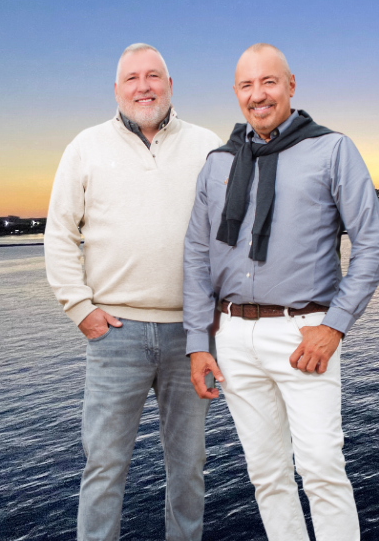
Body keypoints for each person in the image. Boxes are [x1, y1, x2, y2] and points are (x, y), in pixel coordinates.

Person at [183, 44, 379, 541]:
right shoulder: (217, 163)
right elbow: (195, 254)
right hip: (232, 336)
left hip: (305, 335)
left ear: (291, 85)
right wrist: (197, 344)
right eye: (247, 86)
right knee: (267, 477)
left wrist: (333, 327)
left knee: (321, 469)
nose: (259, 95)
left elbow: (373, 246)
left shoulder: (332, 149)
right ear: (236, 93)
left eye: (269, 82)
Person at [45, 43, 222, 541]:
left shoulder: (207, 146)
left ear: (170, 85)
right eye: (132, 79)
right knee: (104, 468)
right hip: (114, 336)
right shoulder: (85, 147)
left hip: (189, 338)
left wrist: (210, 323)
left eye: (153, 76)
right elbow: (59, 234)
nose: (143, 87)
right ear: (117, 90)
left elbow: (227, 235)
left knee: (188, 469)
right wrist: (81, 309)